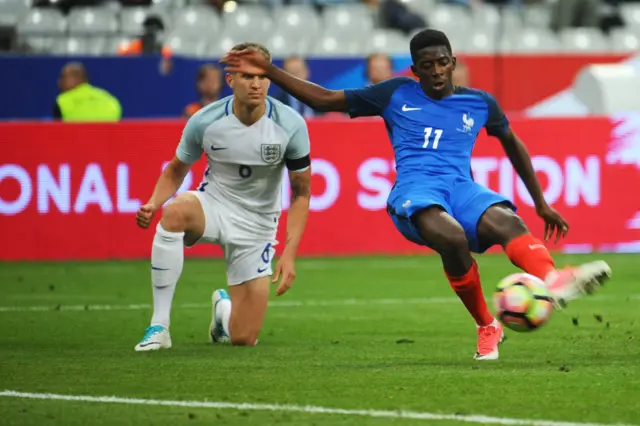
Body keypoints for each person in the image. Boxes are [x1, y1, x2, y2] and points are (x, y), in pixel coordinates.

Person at [220, 29, 612, 361]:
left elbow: (513, 143)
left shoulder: (478, 103)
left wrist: (541, 202)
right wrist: (269, 69)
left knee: (509, 221)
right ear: (415, 71)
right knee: (452, 237)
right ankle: (487, 325)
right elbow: (325, 100)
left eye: (443, 62)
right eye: (427, 66)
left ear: (453, 62)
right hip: (416, 190)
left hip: (462, 187)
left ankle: (553, 278)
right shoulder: (395, 94)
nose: (437, 71)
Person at [134, 42, 312, 351]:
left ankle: (223, 312)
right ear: (230, 80)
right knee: (175, 213)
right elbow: (176, 170)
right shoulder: (205, 120)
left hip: (257, 228)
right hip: (214, 205)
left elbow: (301, 193)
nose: (255, 84)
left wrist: (290, 251)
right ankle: (159, 326)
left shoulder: (290, 125)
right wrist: (153, 202)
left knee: (244, 339)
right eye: (246, 76)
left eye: (262, 76)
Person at [53, 62, 121, 122]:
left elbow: (58, 134)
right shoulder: (111, 100)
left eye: (63, 77)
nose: (59, 82)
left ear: (78, 78)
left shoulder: (62, 101)